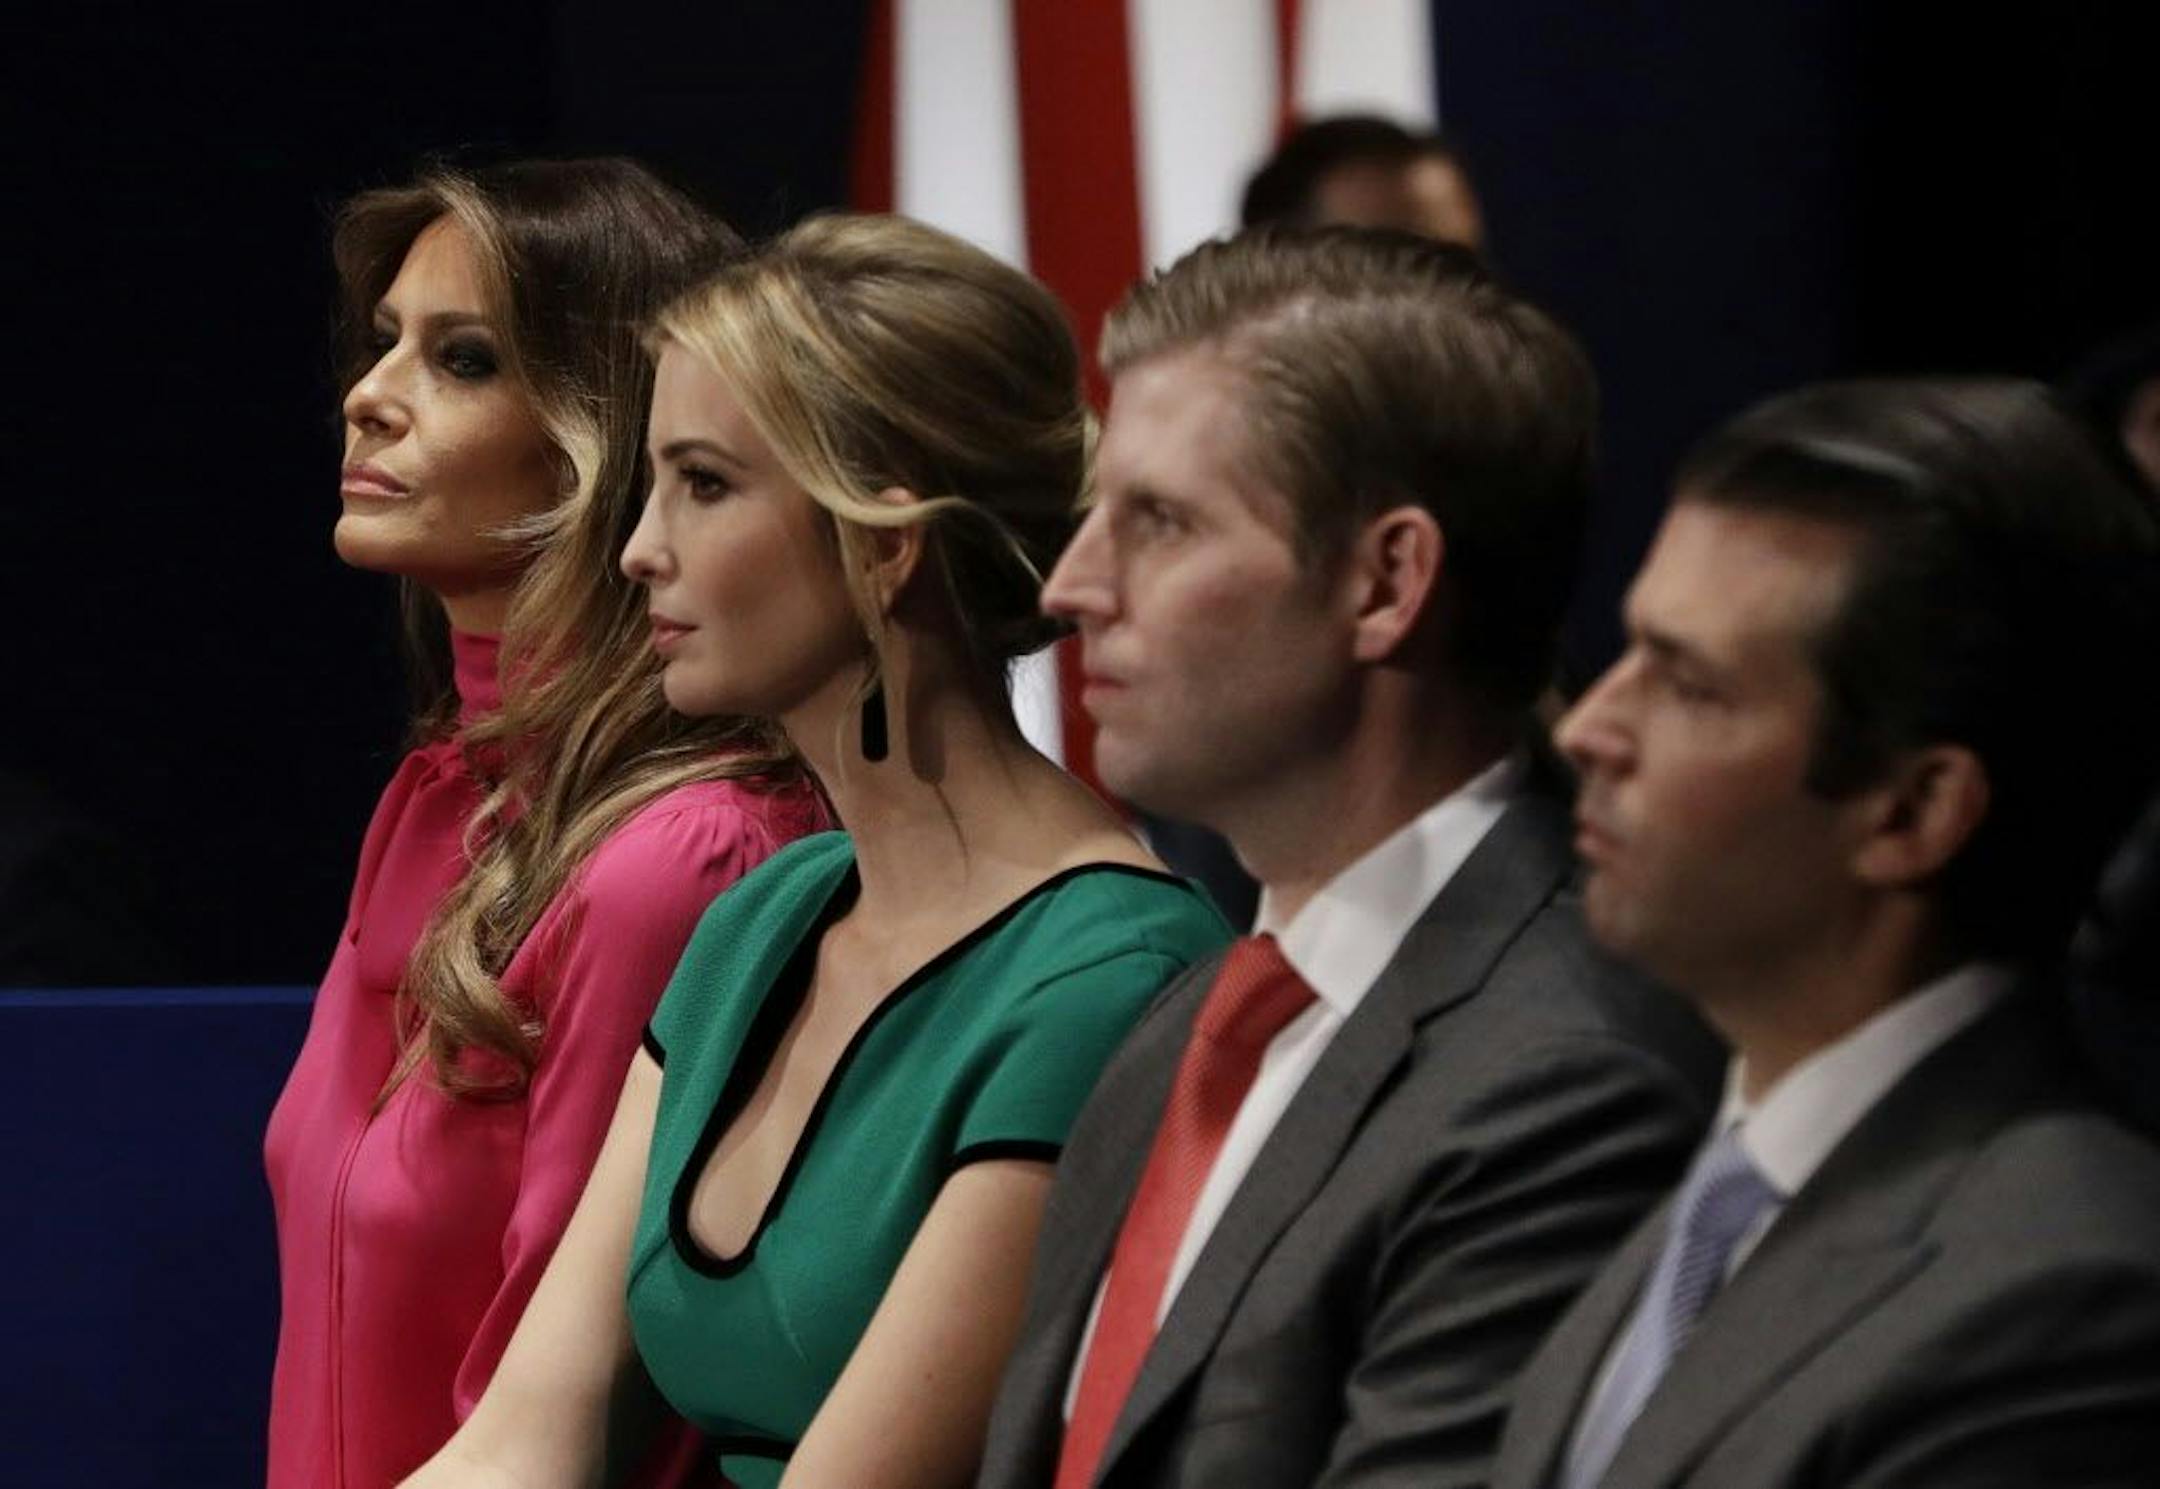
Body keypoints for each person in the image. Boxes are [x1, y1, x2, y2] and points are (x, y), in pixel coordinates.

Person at [400, 214, 1229, 1489]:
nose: (637, 548)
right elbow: (526, 1439)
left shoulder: (1109, 976)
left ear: (883, 543)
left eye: (706, 484)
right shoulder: (762, 919)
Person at [975, 226, 1722, 1489]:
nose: (1069, 585)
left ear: (1386, 582)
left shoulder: (1568, 1079)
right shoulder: (1190, 1025)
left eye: (1156, 522)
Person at [264, 159, 827, 1489]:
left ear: (609, 430)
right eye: (382, 342)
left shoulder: (683, 859)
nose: (368, 396)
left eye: (461, 360)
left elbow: (558, 1436)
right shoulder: (433, 802)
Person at [1490, 379, 2160, 1489]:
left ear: (1910, 811)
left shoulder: (2062, 1302)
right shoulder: (1730, 1183)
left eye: (1690, 685)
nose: (1594, 727)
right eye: (1625, 650)